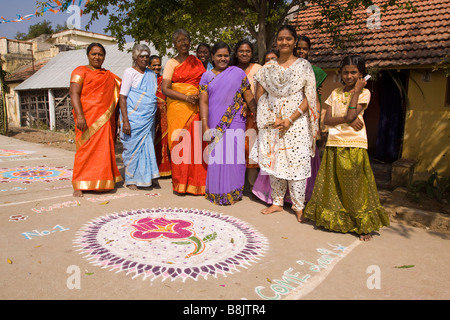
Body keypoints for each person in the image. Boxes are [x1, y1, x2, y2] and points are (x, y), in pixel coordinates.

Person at [304, 55, 389, 241]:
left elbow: (352, 113)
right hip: (334, 143)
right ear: (340, 73)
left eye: (354, 72)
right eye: (345, 72)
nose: (349, 76)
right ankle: (335, 221)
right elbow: (327, 119)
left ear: (361, 75)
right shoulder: (335, 93)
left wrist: (357, 92)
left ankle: (362, 225)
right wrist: (347, 119)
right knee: (333, 184)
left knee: (355, 186)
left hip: (354, 144)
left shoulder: (365, 94)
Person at [250, 25, 319, 222]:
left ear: (295, 41)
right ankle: (277, 202)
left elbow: (309, 97)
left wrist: (290, 119)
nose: (284, 42)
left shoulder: (304, 66)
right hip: (274, 122)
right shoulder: (268, 69)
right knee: (275, 161)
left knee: (297, 162)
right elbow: (260, 96)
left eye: (288, 39)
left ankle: (298, 206)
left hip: (296, 123)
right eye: (280, 39)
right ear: (276, 42)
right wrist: (272, 119)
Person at [199, 42, 257, 205]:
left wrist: (256, 112)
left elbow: (249, 96)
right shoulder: (207, 76)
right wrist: (205, 125)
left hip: (236, 119)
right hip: (214, 120)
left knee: (235, 156)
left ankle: (234, 192)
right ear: (213, 56)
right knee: (218, 156)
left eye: (225, 55)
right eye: (219, 55)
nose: (223, 59)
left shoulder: (238, 73)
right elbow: (203, 103)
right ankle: (217, 192)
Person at [70, 43, 122, 197]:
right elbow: (74, 93)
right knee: (84, 150)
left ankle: (103, 181)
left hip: (105, 121)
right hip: (86, 118)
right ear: (88, 55)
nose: (97, 57)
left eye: (100, 54)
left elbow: (119, 93)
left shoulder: (108, 76)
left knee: (103, 150)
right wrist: (80, 115)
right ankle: (79, 183)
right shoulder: (80, 71)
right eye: (94, 54)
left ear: (104, 56)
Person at [161, 29, 208, 195]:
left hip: (196, 108)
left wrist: (198, 96)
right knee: (179, 145)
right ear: (174, 44)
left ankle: (197, 184)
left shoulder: (197, 62)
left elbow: (204, 84)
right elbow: (165, 88)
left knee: (195, 146)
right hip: (178, 109)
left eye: (186, 40)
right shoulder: (171, 63)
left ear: (190, 42)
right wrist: (186, 98)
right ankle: (181, 184)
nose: (183, 43)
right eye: (179, 41)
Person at [118, 44, 159, 190]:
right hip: (133, 118)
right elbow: (122, 97)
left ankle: (147, 177)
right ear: (135, 57)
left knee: (147, 147)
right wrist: (126, 121)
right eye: (142, 56)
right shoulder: (129, 72)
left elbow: (153, 98)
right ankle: (130, 180)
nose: (145, 59)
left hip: (147, 119)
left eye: (147, 56)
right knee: (131, 149)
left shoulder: (152, 75)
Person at [231, 39, 262, 189]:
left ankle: (252, 185)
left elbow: (263, 91)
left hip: (253, 114)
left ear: (252, 53)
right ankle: (237, 183)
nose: (244, 54)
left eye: (248, 51)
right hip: (235, 114)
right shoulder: (230, 69)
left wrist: (249, 104)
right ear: (236, 53)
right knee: (236, 148)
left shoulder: (259, 68)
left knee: (251, 148)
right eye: (241, 51)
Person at [150, 54, 172, 177]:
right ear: (149, 66)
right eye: (154, 65)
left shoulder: (164, 80)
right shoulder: (145, 79)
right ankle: (153, 169)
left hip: (165, 114)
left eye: (159, 65)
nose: (157, 67)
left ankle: (166, 169)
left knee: (164, 141)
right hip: (150, 115)